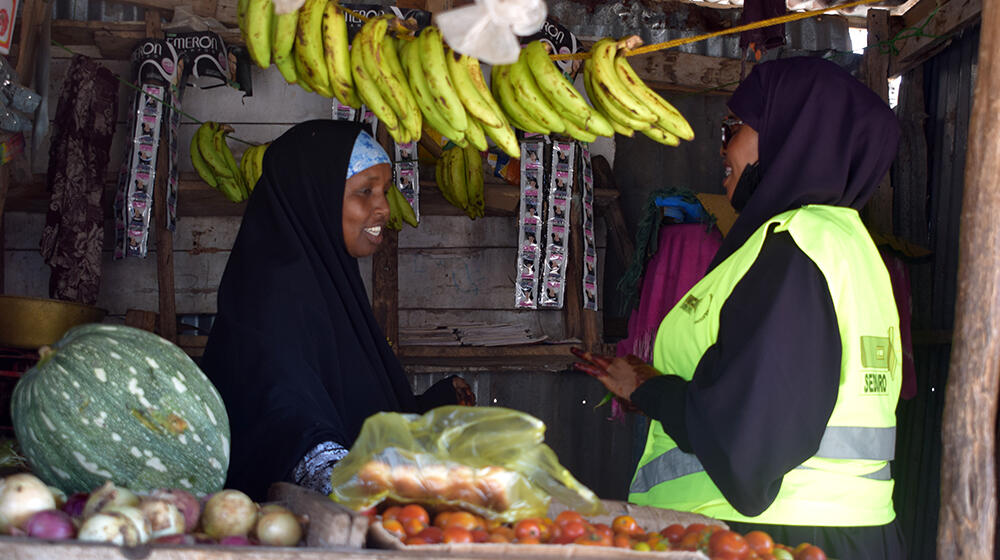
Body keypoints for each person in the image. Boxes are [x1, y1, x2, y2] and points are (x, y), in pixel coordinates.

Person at [573, 57, 904, 559]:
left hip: (774, 538)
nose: (723, 148)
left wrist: (648, 389)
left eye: (734, 127)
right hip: (834, 533)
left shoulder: (795, 247)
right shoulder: (842, 244)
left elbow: (750, 438)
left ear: (793, 134)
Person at [201, 120, 475, 501]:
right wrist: (343, 477)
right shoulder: (271, 299)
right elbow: (285, 417)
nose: (382, 207)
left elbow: (340, 397)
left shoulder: (326, 282)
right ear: (315, 197)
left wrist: (430, 406)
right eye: (365, 192)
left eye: (385, 189)